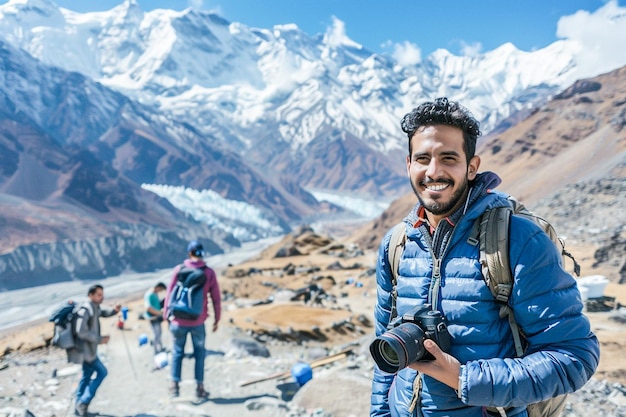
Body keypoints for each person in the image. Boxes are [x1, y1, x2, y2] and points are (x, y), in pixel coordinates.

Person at [370, 97, 600, 417]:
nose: (433, 171)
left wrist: (465, 378)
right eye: (423, 158)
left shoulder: (519, 241)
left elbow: (575, 356)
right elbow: (386, 355)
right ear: (409, 164)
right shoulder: (396, 244)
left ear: (472, 166)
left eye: (448, 158)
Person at [163, 240, 221, 399]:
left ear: (189, 253)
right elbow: (215, 298)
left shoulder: (179, 269)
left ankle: (174, 386)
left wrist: (166, 315)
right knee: (200, 354)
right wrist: (217, 319)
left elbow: (169, 293)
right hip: (198, 322)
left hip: (177, 321)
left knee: (177, 353)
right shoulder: (208, 273)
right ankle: (199, 388)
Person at [68, 284, 121, 417]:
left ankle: (79, 410)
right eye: (99, 295)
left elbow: (102, 313)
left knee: (86, 377)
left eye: (102, 295)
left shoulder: (94, 307)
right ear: (90, 295)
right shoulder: (86, 309)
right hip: (85, 352)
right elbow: (81, 331)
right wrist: (99, 339)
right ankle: (83, 403)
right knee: (102, 372)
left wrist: (114, 311)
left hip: (90, 351)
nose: (101, 297)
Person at [144, 282, 167, 354]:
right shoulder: (149, 294)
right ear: (158, 287)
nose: (160, 291)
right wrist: (159, 312)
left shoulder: (155, 294)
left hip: (157, 317)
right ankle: (156, 350)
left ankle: (160, 348)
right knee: (156, 334)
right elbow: (148, 307)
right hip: (153, 317)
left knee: (159, 333)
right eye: (160, 290)